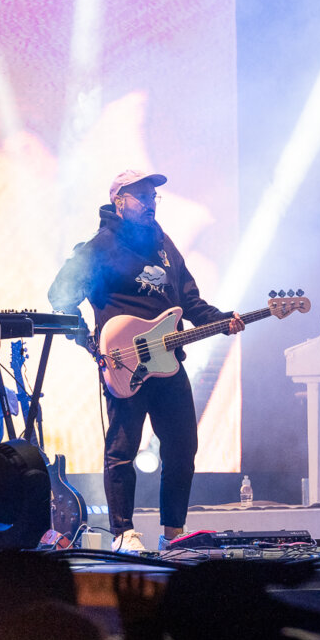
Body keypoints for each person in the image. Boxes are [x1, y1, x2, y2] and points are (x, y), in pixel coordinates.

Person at [49, 169, 244, 553]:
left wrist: (221, 321)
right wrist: (90, 342)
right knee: (123, 448)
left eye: (154, 196)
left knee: (182, 447)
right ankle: (124, 532)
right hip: (126, 365)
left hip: (168, 363)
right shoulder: (99, 247)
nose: (151, 202)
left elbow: (189, 302)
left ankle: (174, 532)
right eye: (142, 195)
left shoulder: (163, 244)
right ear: (119, 201)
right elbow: (60, 296)